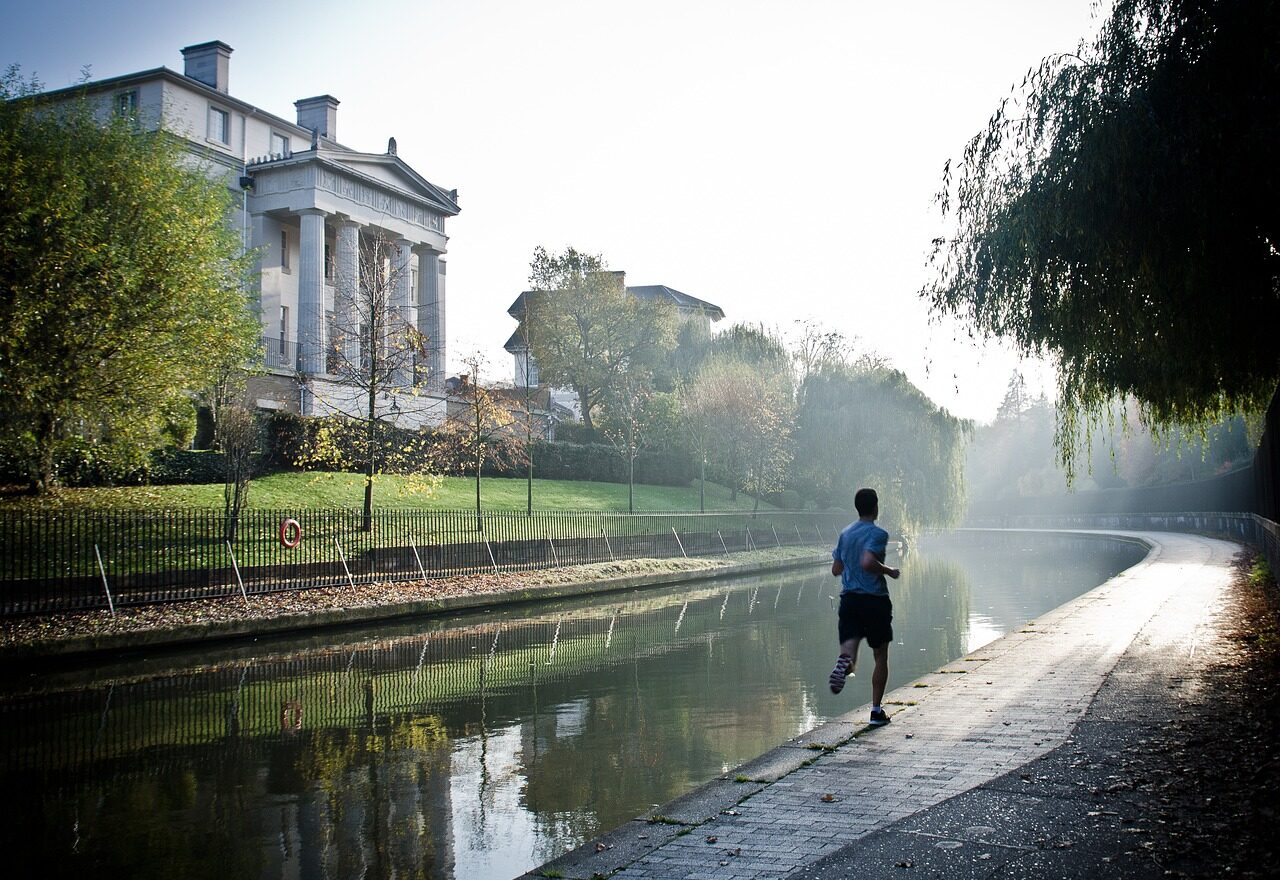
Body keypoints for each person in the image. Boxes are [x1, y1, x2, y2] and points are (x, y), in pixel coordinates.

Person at [828, 487, 900, 726]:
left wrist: (851, 565)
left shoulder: (845, 534)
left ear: (857, 507)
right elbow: (868, 561)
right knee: (880, 656)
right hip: (874, 600)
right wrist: (889, 571)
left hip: (849, 600)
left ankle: (844, 664)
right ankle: (876, 711)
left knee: (848, 654)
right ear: (875, 507)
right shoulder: (878, 534)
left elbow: (836, 569)